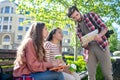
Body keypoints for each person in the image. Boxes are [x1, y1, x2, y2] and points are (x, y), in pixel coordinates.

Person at [67, 6, 113, 80]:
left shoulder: (91, 15)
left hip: (101, 46)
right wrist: (84, 44)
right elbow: (83, 43)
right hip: (89, 50)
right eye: (74, 18)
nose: (77, 18)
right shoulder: (77, 29)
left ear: (79, 11)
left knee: (107, 74)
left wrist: (99, 35)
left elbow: (104, 28)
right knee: (90, 75)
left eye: (77, 15)